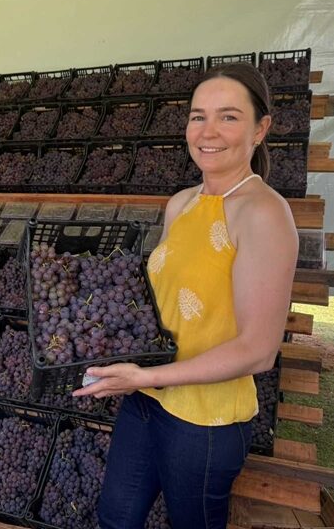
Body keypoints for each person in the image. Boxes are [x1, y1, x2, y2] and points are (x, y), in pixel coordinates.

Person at [73, 62, 299, 528]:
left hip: (205, 422)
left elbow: (258, 350)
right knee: (116, 517)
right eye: (198, 116)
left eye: (228, 116)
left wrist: (148, 377)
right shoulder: (181, 203)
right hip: (147, 397)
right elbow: (165, 306)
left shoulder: (263, 213)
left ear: (261, 129)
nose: (208, 131)